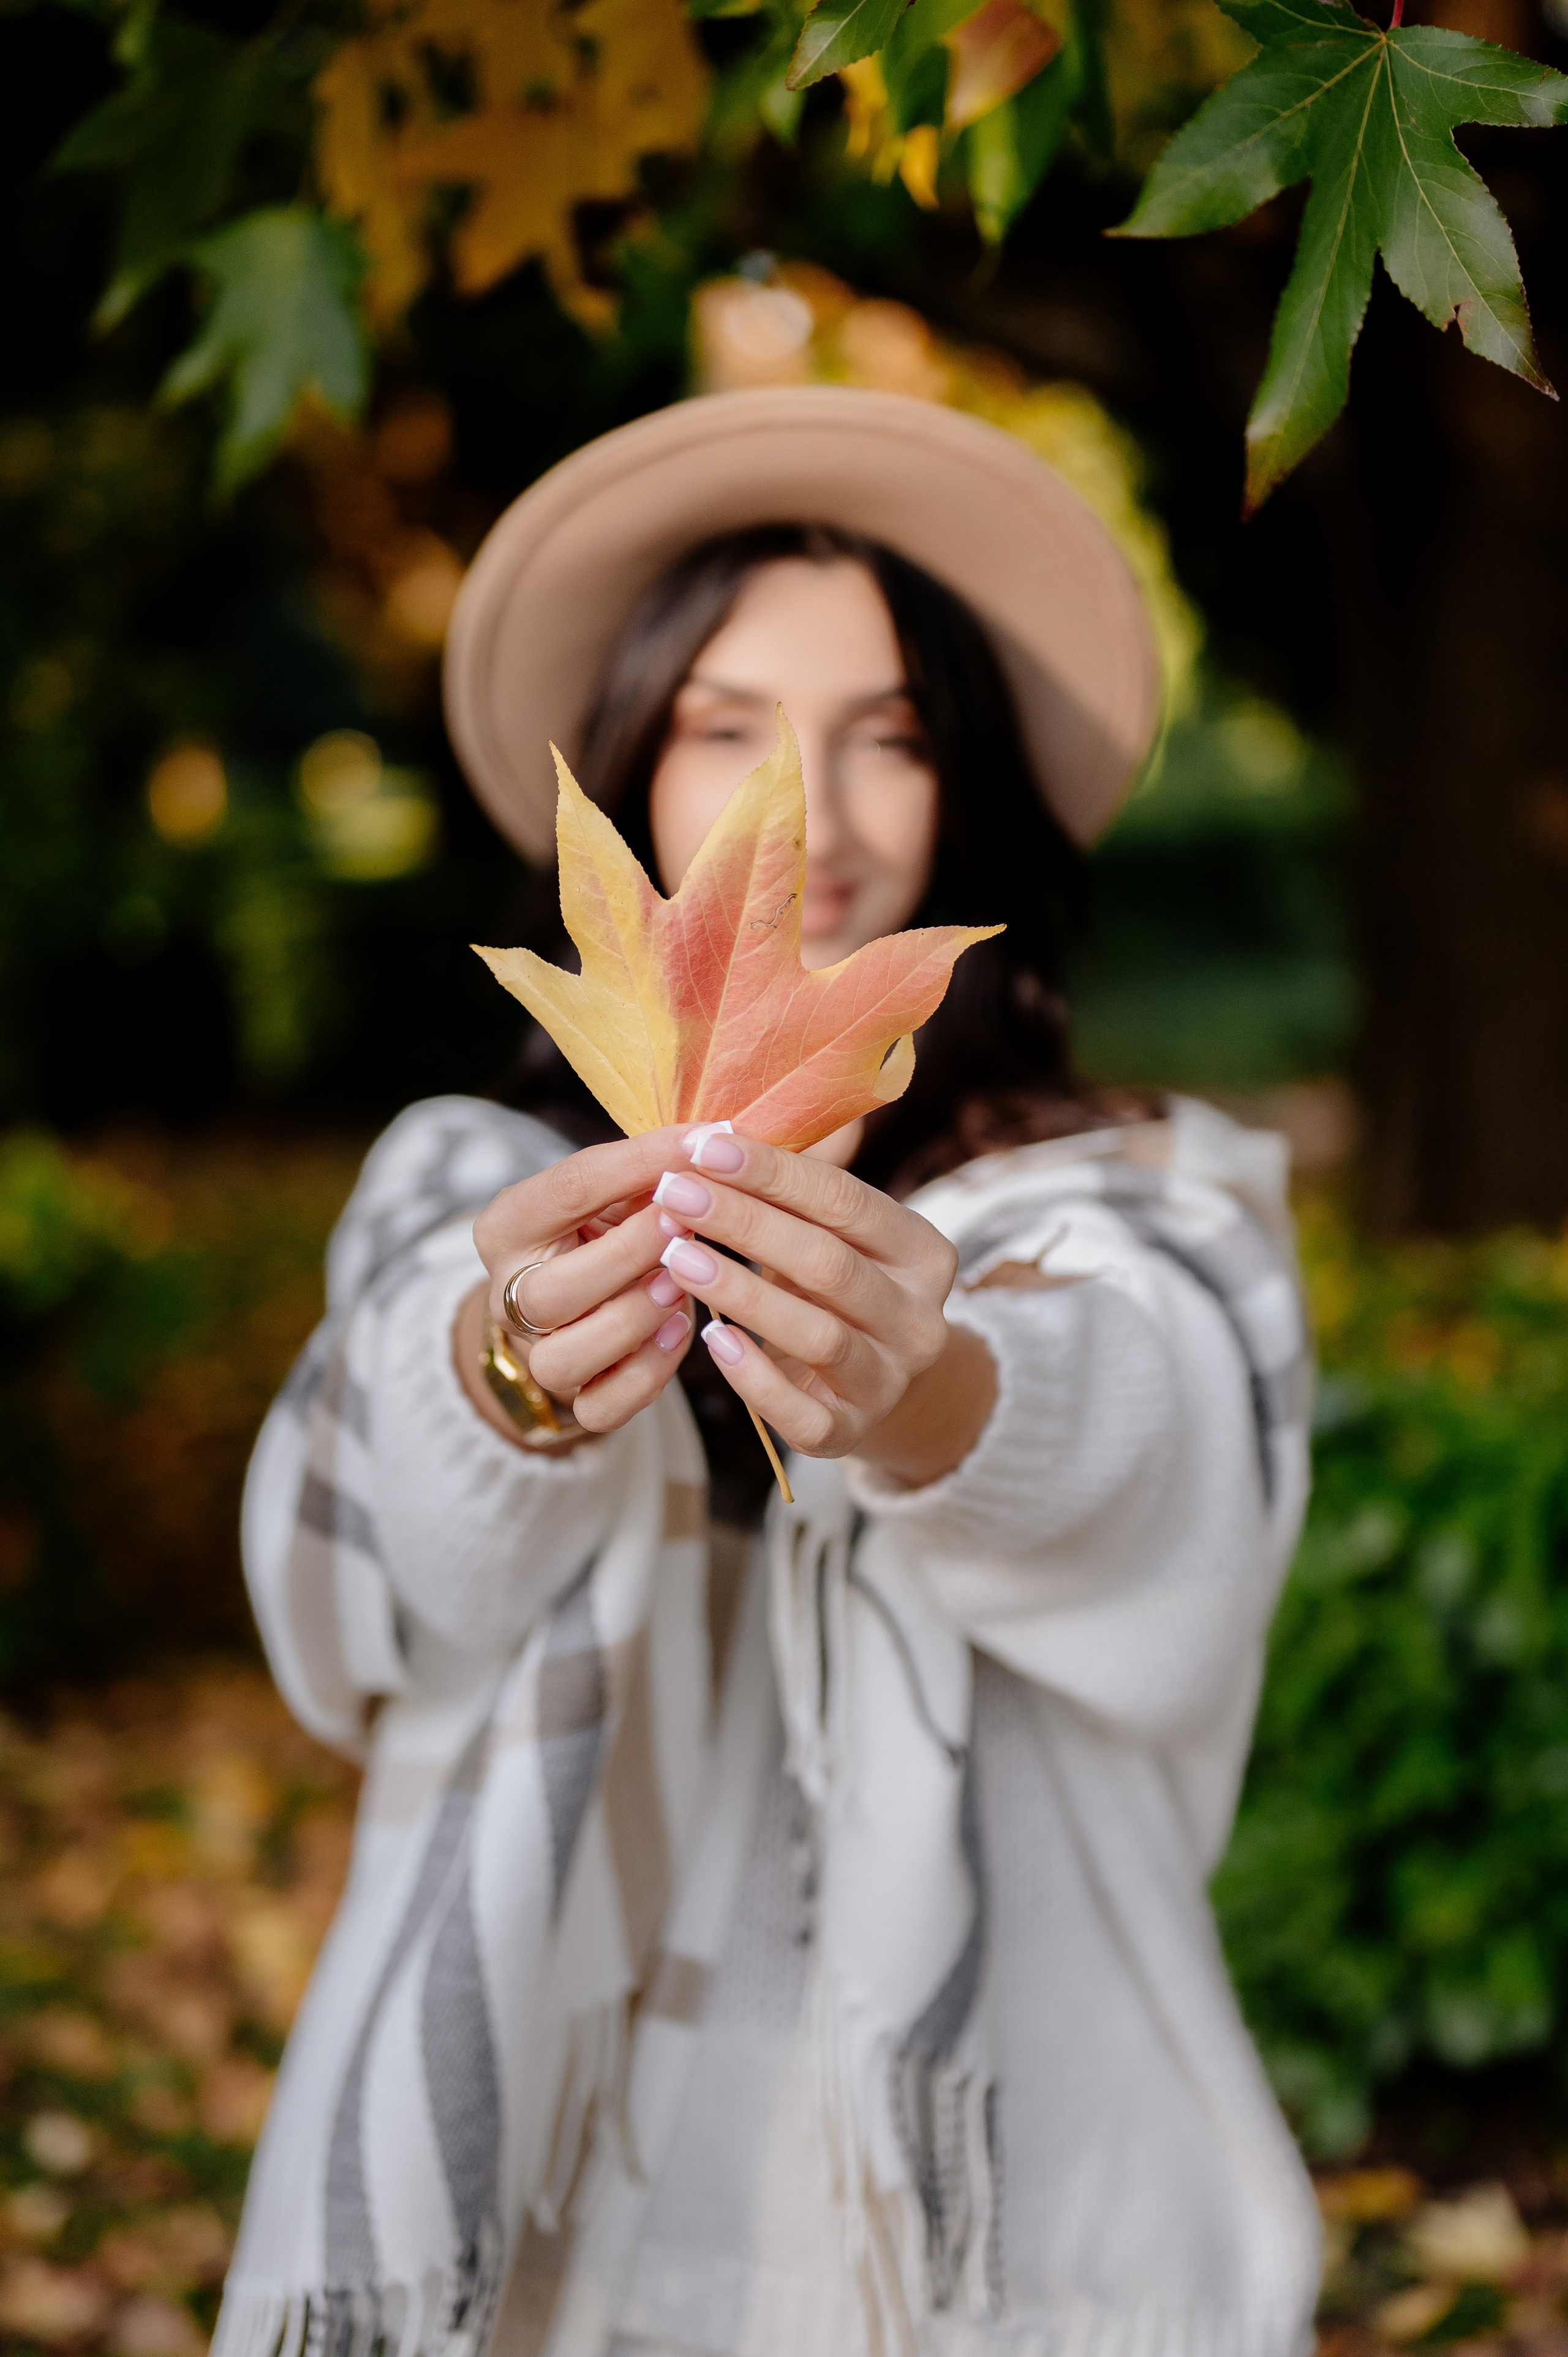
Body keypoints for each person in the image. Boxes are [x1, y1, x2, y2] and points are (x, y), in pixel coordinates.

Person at [214, 388, 1322, 2357]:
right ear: (632, 761)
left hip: (1008, 2245)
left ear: (969, 789)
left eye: (892, 731)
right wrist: (509, 1373)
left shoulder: (1153, 1197)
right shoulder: (466, 1185)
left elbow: (1160, 1459)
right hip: (550, 2233)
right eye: (729, 722)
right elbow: (356, 1578)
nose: (802, 804)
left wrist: (931, 1397)